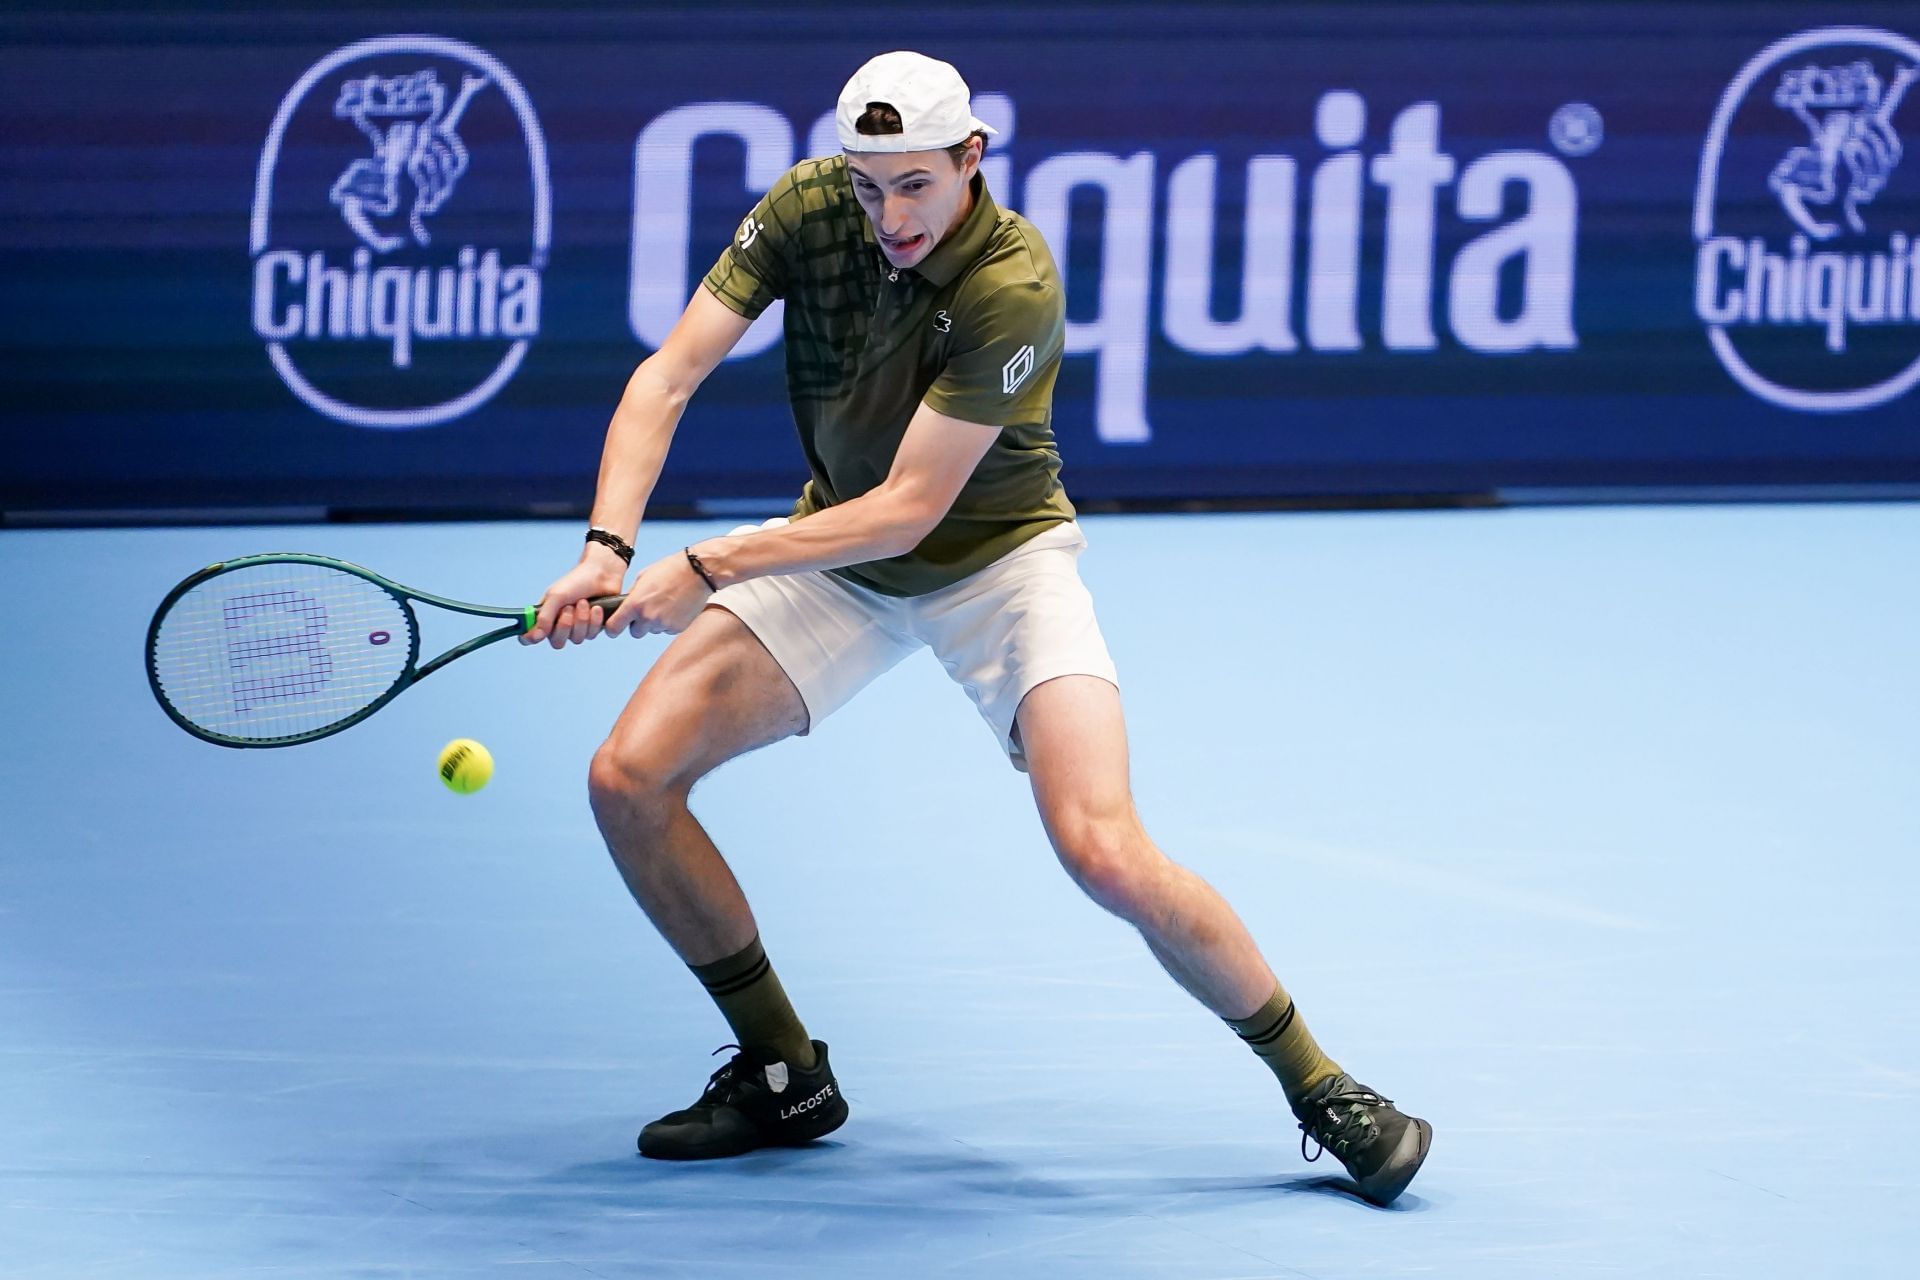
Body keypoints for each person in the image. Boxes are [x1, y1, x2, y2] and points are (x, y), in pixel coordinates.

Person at [524, 50, 1431, 1205]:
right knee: (628, 779)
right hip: (838, 559)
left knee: (1100, 842)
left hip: (998, 563)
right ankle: (784, 1070)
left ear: (970, 160)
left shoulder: (1013, 281)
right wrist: (607, 547)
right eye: (868, 185)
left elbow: (911, 506)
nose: (887, 212)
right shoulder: (809, 206)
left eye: (914, 184)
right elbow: (669, 375)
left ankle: (1325, 1087)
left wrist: (704, 562)